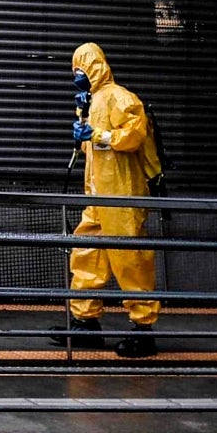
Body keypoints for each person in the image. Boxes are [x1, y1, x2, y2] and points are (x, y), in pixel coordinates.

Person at [61, 44, 162, 359]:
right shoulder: (90, 103)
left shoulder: (120, 97)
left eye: (82, 69)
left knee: (130, 260)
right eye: (75, 69)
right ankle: (85, 323)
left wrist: (98, 135)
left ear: (95, 67)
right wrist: (83, 135)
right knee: (87, 256)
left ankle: (143, 331)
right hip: (98, 196)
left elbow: (134, 135)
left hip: (122, 195)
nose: (78, 75)